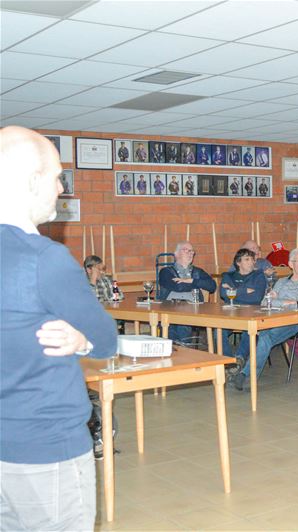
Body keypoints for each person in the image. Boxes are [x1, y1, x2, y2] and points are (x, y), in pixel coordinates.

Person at [0, 125, 118, 531]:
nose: (61, 188)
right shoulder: (45, 258)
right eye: (56, 177)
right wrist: (83, 339)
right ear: (33, 181)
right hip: (46, 448)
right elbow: (105, 338)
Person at [232, 249, 298, 391]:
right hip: (273, 319)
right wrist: (287, 302)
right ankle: (246, 375)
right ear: (290, 264)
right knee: (262, 334)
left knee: (265, 336)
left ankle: (246, 375)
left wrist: (279, 300)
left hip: (294, 321)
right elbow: (265, 302)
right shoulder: (282, 282)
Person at [158, 241, 217, 342]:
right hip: (169, 308)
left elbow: (212, 286)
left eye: (192, 251)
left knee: (182, 323)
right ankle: (176, 349)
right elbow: (178, 287)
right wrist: (197, 283)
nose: (190, 253)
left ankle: (182, 350)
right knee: (172, 325)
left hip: (192, 309)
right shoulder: (166, 271)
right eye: (186, 250)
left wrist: (191, 280)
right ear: (176, 254)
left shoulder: (198, 272)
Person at [220, 248, 267, 374]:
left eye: (252, 259)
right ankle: (228, 362)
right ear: (238, 262)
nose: (251, 262)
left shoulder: (259, 275)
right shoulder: (228, 275)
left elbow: (256, 297)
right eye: (247, 259)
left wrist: (234, 290)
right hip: (231, 313)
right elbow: (224, 294)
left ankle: (239, 359)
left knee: (251, 329)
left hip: (251, 312)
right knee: (218, 329)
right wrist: (245, 290)